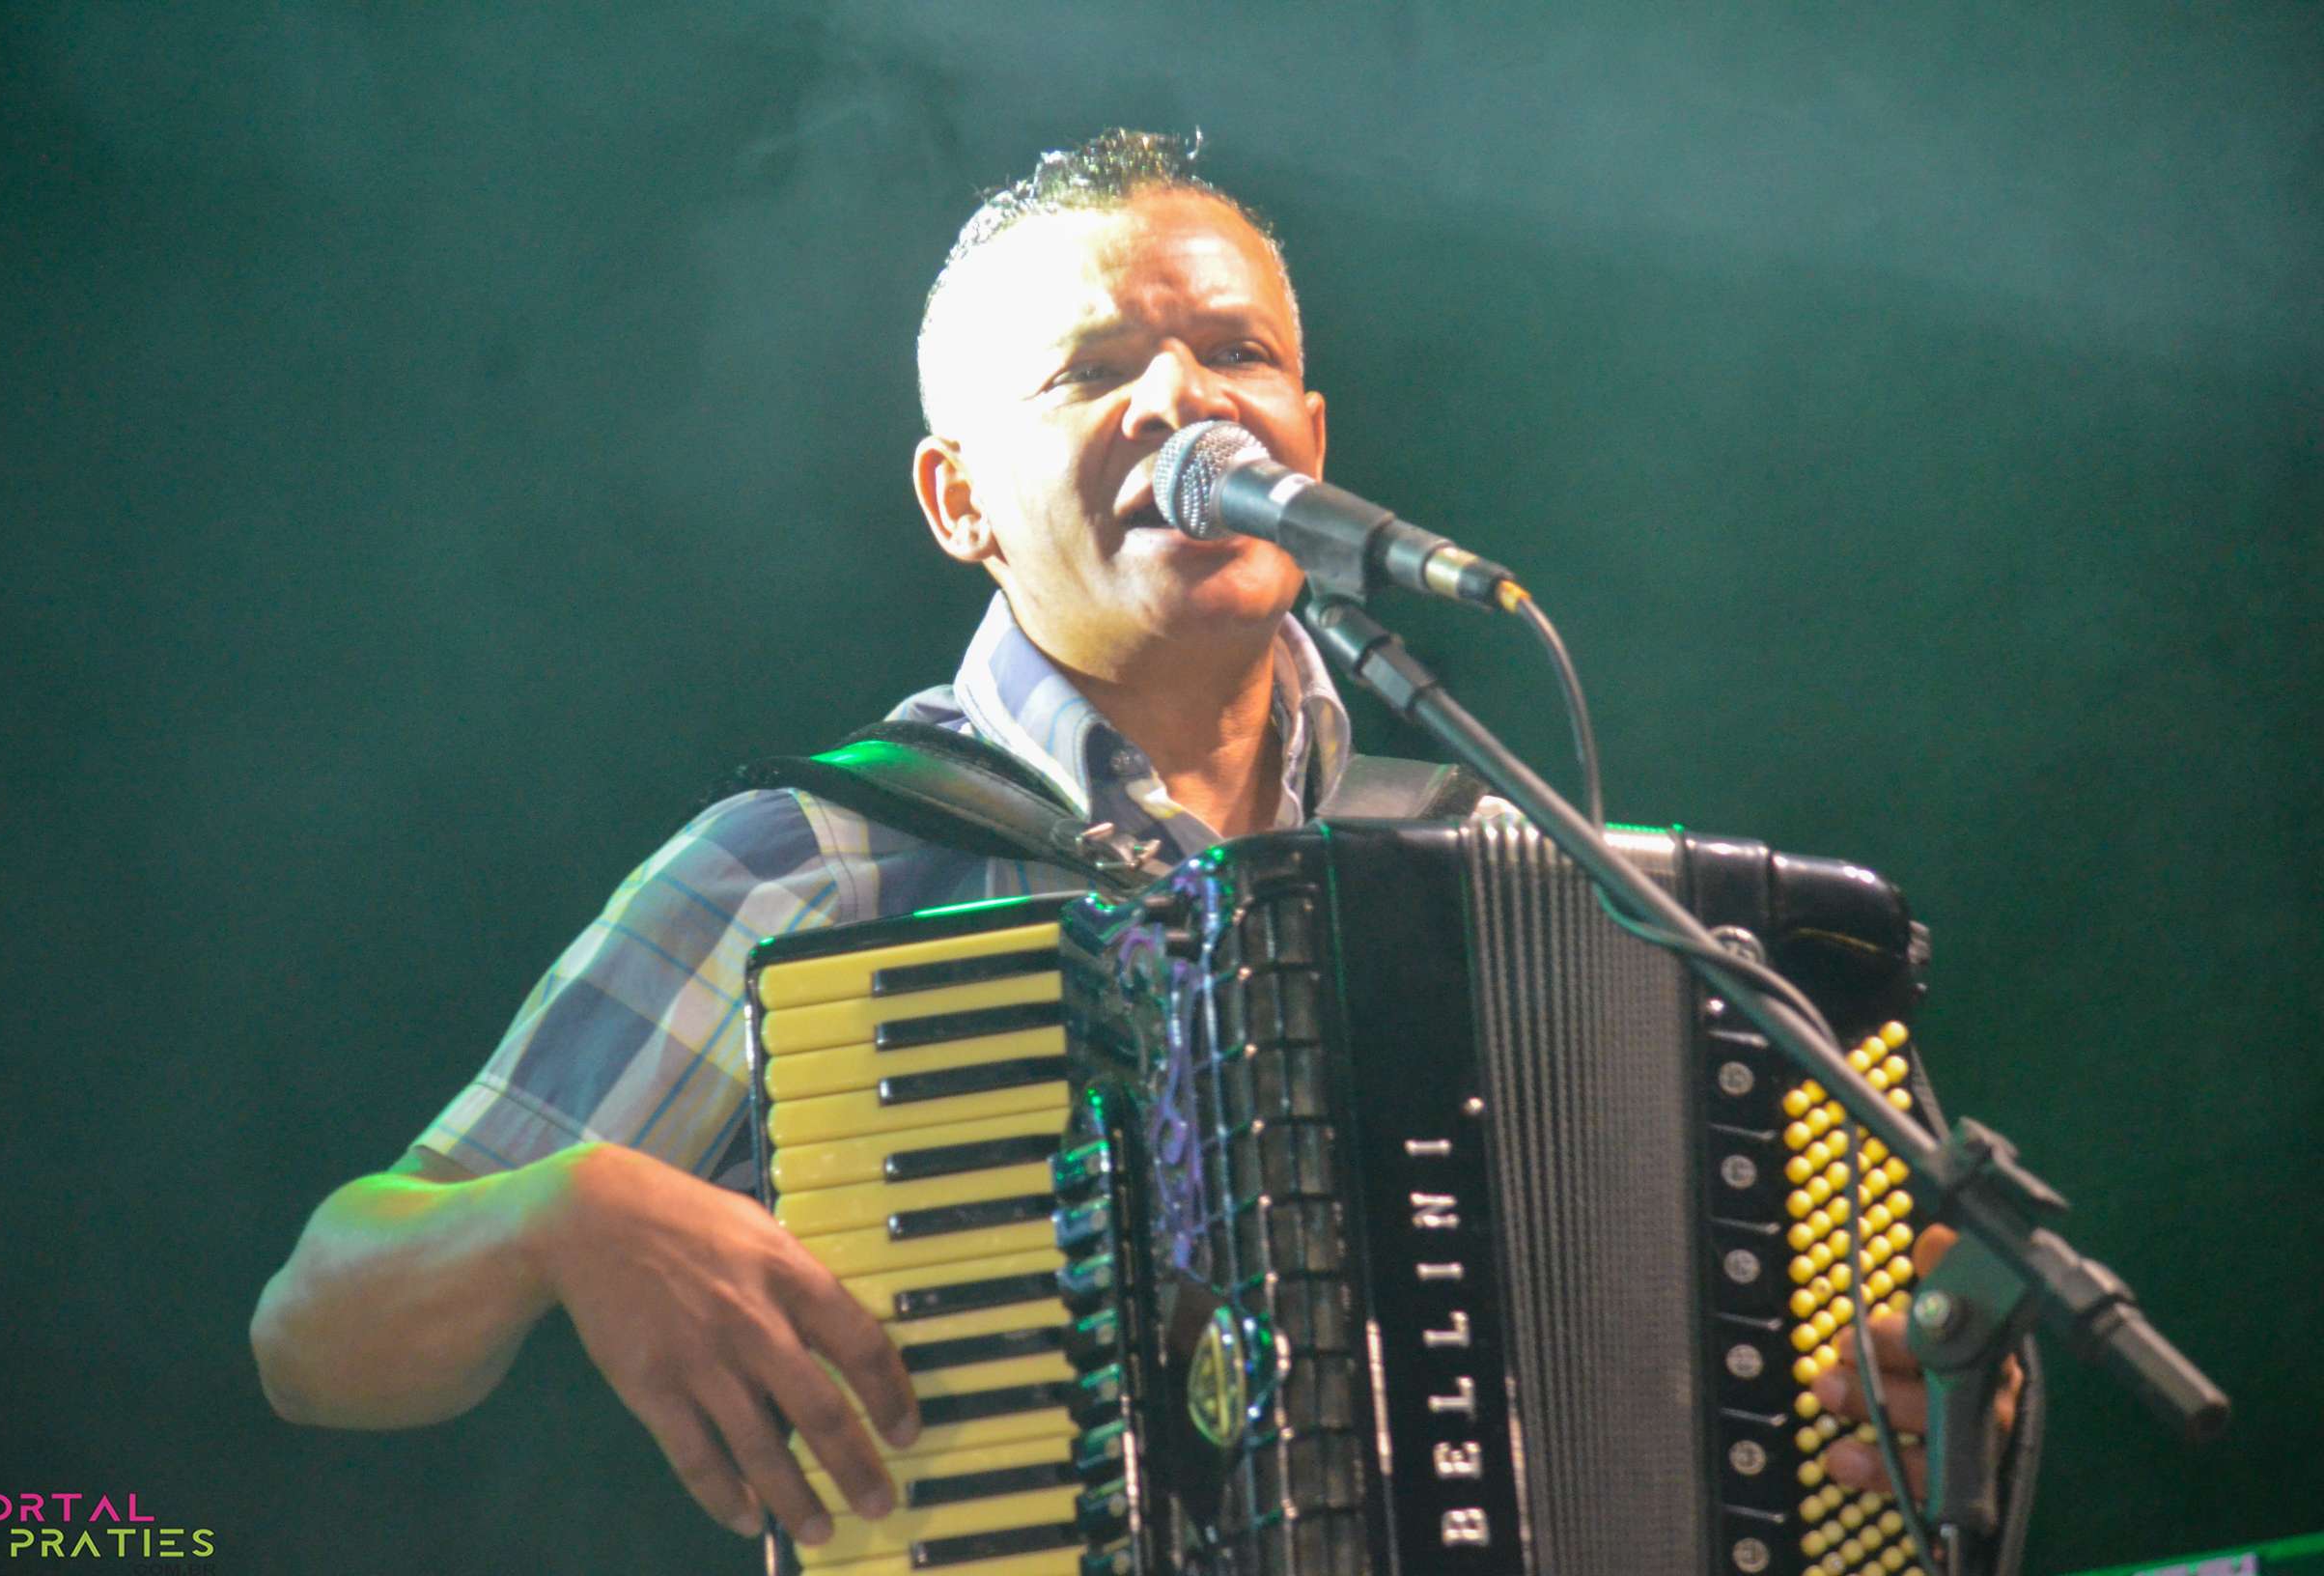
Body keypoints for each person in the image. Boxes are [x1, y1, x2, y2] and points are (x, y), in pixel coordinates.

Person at [248, 129, 2002, 1551]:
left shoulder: (1507, 868)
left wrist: (1911, 1391)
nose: (1185, 399)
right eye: (1094, 370)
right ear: (960, 500)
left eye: (1240, 354)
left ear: (1311, 439)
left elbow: (1847, 1375)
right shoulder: (811, 869)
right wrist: (561, 1213)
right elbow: (312, 1338)